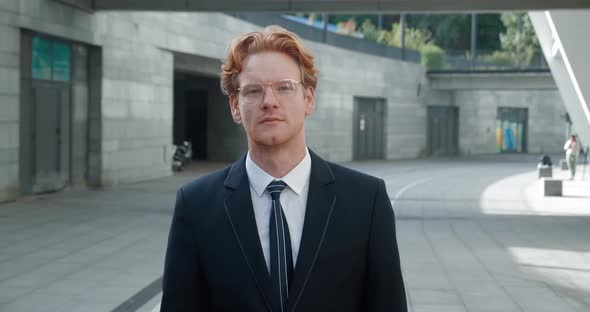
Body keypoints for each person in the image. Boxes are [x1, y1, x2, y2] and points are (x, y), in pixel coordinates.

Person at [161, 25, 407, 312]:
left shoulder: (367, 200)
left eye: (284, 87)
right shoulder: (195, 206)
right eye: (254, 91)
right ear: (235, 106)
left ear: (308, 99)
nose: (269, 102)